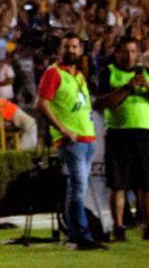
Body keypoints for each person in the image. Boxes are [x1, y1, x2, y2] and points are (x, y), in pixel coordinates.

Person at [36, 33, 104, 250]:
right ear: (60, 49)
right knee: (78, 188)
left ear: (80, 50)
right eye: (67, 47)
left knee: (75, 189)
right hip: (71, 141)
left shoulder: (79, 75)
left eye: (75, 47)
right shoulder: (53, 73)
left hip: (87, 138)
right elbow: (42, 104)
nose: (71, 51)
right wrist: (63, 130)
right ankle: (82, 236)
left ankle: (75, 235)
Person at [94, 36, 149, 241]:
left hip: (144, 133)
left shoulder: (145, 73)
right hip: (118, 133)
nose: (130, 56)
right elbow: (101, 103)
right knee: (119, 184)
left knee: (146, 184)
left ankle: (147, 226)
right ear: (116, 52)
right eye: (126, 51)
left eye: (134, 52)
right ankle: (119, 226)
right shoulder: (109, 73)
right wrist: (127, 88)